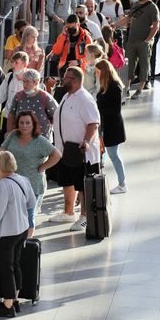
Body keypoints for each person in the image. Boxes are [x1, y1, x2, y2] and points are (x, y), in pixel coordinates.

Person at [0, 150, 36, 318]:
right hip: (21, 229)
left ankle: (7, 306)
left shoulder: (2, 185)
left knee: (5, 268)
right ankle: (14, 300)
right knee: (15, 265)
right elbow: (31, 202)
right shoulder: (23, 180)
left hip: (5, 233)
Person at [51, 67, 101, 232]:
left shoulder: (85, 99)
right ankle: (68, 212)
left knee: (82, 185)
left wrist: (86, 141)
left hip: (80, 152)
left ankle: (85, 216)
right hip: (65, 150)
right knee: (67, 181)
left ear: (75, 80)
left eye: (65, 78)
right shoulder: (67, 95)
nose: (62, 80)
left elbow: (93, 123)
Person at [0, 112, 61, 237]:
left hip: (32, 185)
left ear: (33, 125)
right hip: (12, 184)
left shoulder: (40, 141)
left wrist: (43, 167)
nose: (24, 126)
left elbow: (57, 155)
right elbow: (1, 150)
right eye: (21, 123)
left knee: (28, 215)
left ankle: (27, 242)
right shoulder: (13, 136)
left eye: (28, 123)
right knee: (13, 215)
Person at [113, 0, 159, 99]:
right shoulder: (136, 5)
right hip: (132, 40)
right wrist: (115, 24)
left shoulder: (153, 8)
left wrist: (148, 40)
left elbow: (156, 25)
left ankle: (139, 90)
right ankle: (127, 87)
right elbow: (128, 18)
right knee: (129, 65)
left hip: (143, 41)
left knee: (144, 65)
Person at [94, 59, 127, 194]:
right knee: (110, 154)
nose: (96, 74)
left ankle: (122, 183)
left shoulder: (114, 87)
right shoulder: (104, 86)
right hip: (106, 125)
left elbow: (115, 110)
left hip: (112, 127)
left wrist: (99, 111)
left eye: (97, 71)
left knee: (114, 154)